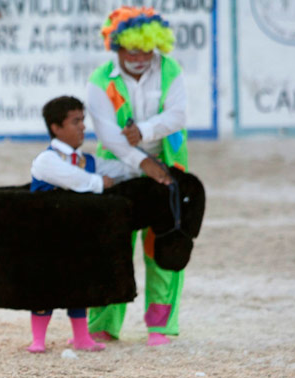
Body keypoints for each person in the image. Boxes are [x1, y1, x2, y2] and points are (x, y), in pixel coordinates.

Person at [85, 6, 189, 347]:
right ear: (116, 47)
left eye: (148, 49)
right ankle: (102, 325)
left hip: (169, 168)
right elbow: (109, 136)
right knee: (111, 247)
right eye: (133, 51)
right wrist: (144, 164)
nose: (142, 57)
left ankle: (160, 326)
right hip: (118, 171)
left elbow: (177, 116)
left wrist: (142, 131)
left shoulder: (171, 69)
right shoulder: (100, 80)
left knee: (163, 246)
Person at [26, 95, 128, 354]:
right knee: (44, 286)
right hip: (46, 236)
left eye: (83, 120)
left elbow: (123, 170)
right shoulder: (46, 160)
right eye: (75, 121)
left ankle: (82, 336)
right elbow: (79, 180)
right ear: (55, 128)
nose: (83, 126)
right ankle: (38, 338)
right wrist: (101, 182)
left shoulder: (88, 160)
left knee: (80, 282)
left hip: (77, 235)